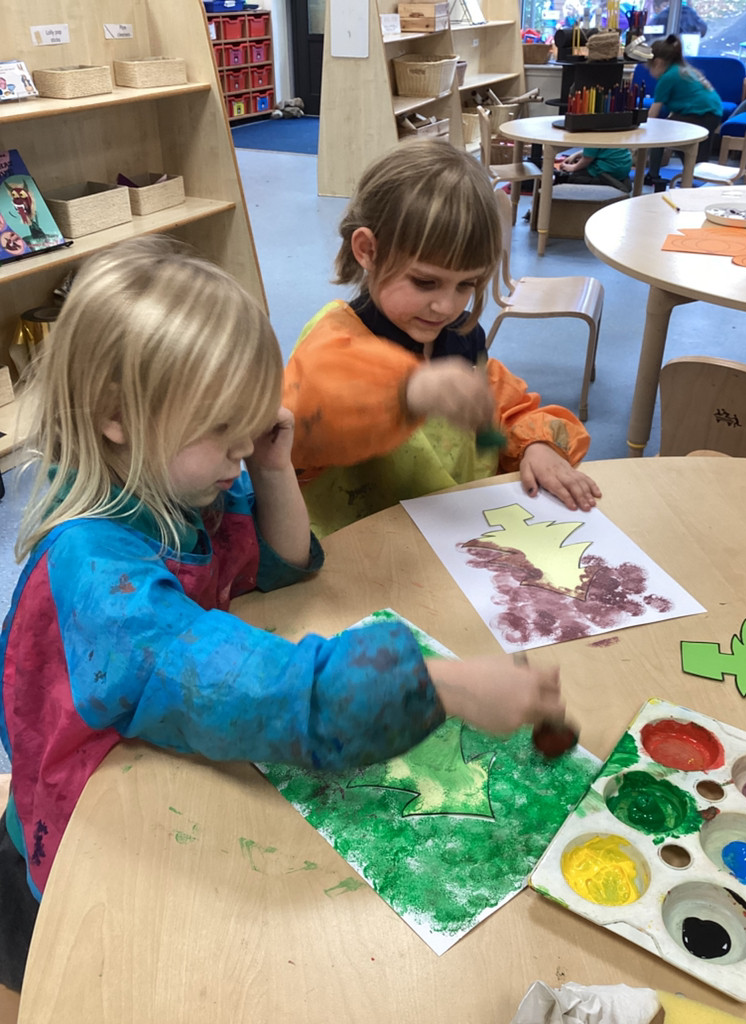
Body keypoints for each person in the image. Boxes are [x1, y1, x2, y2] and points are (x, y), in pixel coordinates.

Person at [0, 236, 567, 994]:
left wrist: (271, 467)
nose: (244, 448)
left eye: (250, 423)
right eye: (224, 431)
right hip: (83, 839)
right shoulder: (98, 574)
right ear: (116, 416)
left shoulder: (177, 479)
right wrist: (443, 686)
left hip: (160, 761)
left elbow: (280, 561)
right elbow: (254, 688)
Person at [283, 139, 601, 538]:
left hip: (456, 536)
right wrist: (407, 391)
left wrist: (536, 446)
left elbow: (507, 409)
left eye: (466, 285)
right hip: (361, 545)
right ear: (367, 250)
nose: (445, 307)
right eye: (425, 282)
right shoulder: (335, 336)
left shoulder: (461, 338)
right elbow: (302, 424)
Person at [644, 34, 722, 186]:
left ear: (657, 62)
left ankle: (652, 175)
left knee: (658, 134)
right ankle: (694, 177)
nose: (649, 71)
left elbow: (653, 113)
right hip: (713, 112)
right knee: (695, 151)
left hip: (699, 113)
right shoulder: (683, 69)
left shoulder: (668, 77)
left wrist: (641, 131)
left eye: (649, 67)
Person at [554, 147, 633, 192]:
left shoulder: (592, 133)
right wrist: (575, 155)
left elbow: (587, 158)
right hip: (622, 167)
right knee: (580, 164)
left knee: (574, 176)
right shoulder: (608, 129)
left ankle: (562, 177)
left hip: (606, 171)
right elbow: (594, 150)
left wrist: (573, 168)